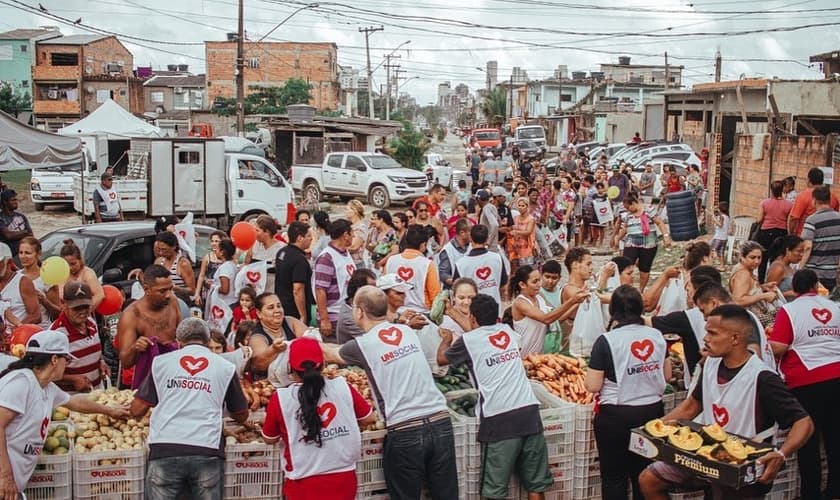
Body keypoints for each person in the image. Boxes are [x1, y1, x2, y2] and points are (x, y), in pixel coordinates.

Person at [639, 305, 814, 500]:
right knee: (649, 480)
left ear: (735, 338)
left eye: (712, 333)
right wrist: (653, 429)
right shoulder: (712, 363)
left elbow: (804, 422)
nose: (705, 338)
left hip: (742, 466)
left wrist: (781, 454)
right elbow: (692, 405)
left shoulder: (762, 378)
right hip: (706, 455)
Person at [330, 286, 458, 499]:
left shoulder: (363, 344)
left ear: (360, 312)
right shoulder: (408, 332)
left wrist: (302, 341)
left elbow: (333, 354)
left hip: (405, 430)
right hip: (441, 422)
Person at [437, 293, 554, 499]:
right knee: (536, 485)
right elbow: (484, 337)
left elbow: (441, 360)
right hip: (529, 412)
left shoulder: (468, 340)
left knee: (495, 491)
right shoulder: (507, 332)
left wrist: (446, 340)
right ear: (497, 316)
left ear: (473, 317)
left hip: (500, 418)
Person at [0, 330, 129, 499]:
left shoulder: (46, 386)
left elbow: (75, 403)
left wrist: (110, 410)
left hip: (12, 485)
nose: (67, 365)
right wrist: (5, 475)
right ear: (54, 360)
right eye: (66, 359)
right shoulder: (22, 383)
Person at [130, 318, 249, 500]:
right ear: (208, 341)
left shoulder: (161, 363)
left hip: (165, 448)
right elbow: (241, 414)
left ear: (178, 341)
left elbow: (137, 409)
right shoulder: (225, 367)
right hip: (206, 449)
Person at [261, 338, 376, 500]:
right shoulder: (342, 387)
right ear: (323, 363)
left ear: (290, 368)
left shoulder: (281, 399)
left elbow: (269, 438)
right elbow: (369, 418)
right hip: (343, 480)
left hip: (302, 484)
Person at [585, 285, 671, 500]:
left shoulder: (607, 341)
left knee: (614, 477)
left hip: (616, 416)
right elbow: (667, 375)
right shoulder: (657, 336)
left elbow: (593, 385)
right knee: (644, 474)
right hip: (652, 414)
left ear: (613, 311)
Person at [768, 269, 840, 500]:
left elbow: (778, 346)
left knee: (807, 439)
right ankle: (835, 491)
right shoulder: (834, 307)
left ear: (795, 289)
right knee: (835, 438)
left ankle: (811, 494)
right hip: (837, 375)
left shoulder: (789, 310)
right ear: (816, 285)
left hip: (806, 380)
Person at [117, 265, 182, 389]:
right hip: (148, 383)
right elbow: (125, 362)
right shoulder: (131, 315)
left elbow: (182, 337)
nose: (168, 295)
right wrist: (136, 347)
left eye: (170, 289)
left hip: (176, 377)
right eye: (162, 291)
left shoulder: (172, 301)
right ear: (147, 289)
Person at [512, 265, 588, 356]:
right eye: (534, 282)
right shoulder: (520, 303)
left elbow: (556, 318)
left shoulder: (540, 297)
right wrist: (572, 301)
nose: (539, 285)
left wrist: (577, 303)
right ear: (522, 285)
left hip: (539, 356)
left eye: (539, 280)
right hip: (524, 356)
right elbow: (546, 319)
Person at [51, 281, 108, 392]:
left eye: (86, 306)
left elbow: (93, 349)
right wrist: (72, 379)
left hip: (96, 394)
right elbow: (47, 373)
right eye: (77, 308)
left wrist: (101, 362)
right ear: (64, 304)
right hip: (71, 400)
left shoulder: (91, 322)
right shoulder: (56, 334)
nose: (83, 312)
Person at [613, 191, 672, 291]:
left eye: (629, 207)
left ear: (634, 203)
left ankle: (641, 290)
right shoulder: (627, 214)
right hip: (631, 242)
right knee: (626, 264)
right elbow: (625, 228)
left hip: (649, 243)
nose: (628, 210)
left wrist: (666, 236)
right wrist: (617, 238)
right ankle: (625, 288)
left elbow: (660, 223)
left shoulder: (649, 210)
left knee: (644, 268)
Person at [248, 292, 308, 379]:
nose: (277, 310)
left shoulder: (291, 321)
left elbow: (312, 340)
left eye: (279, 306)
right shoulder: (257, 337)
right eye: (271, 308)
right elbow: (258, 365)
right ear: (259, 313)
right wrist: (274, 349)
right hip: (271, 385)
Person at [313, 219, 356, 341]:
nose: (353, 236)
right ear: (345, 235)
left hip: (346, 312)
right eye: (351, 233)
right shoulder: (326, 258)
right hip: (333, 315)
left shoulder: (345, 254)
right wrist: (324, 319)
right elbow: (320, 290)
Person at [384, 224, 442, 314]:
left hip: (396, 313)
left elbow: (384, 287)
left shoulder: (391, 261)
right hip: (421, 314)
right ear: (423, 245)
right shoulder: (427, 264)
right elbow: (435, 296)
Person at [454, 224, 508, 319]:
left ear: (471, 238)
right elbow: (503, 285)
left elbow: (456, 289)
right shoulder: (497, 258)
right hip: (495, 310)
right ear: (487, 238)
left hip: (471, 314)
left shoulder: (461, 264)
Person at [729, 241, 781, 327]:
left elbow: (748, 290)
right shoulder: (743, 274)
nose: (757, 261)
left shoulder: (746, 269)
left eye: (759, 258)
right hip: (751, 318)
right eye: (752, 258)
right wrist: (764, 296)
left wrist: (763, 287)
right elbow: (738, 301)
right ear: (742, 257)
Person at [275, 221, 314, 326]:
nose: (311, 239)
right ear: (300, 238)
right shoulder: (299, 260)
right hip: (294, 310)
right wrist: (303, 315)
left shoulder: (281, 252)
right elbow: (298, 289)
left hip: (281, 305)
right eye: (308, 236)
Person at [801, 185, 840, 291]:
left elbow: (807, 247)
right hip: (832, 273)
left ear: (814, 200)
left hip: (814, 274)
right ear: (829, 200)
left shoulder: (812, 220)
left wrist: (800, 268)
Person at [18, 236, 60, 329]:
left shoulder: (47, 278)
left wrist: (44, 301)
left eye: (28, 253)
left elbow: (59, 312)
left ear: (38, 254)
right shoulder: (16, 276)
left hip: (40, 330)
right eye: (21, 252)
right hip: (19, 329)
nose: (23, 256)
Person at [756, 180, 792, 280]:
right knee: (776, 259)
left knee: (763, 258)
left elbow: (759, 220)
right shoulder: (789, 205)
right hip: (781, 233)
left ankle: (761, 281)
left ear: (771, 190)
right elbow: (789, 222)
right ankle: (773, 279)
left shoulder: (764, 203)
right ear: (782, 190)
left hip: (766, 233)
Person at [789, 167, 840, 236]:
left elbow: (794, 218)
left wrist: (791, 234)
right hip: (826, 237)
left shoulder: (803, 196)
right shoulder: (832, 196)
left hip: (805, 237)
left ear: (809, 180)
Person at [0, 242, 40, 327]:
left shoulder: (23, 282)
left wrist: (18, 329)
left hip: (17, 335)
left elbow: (36, 316)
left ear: (8, 262)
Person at [60, 239, 105, 309]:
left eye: (73, 264)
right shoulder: (59, 274)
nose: (70, 268)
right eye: (66, 264)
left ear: (80, 260)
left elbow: (99, 295)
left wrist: (83, 311)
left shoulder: (87, 273)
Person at [336, 269, 377, 344]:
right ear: (359, 290)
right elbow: (374, 339)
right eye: (372, 288)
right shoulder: (348, 317)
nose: (376, 291)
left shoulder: (365, 307)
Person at [153, 231, 196, 304]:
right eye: (159, 249)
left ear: (173, 247)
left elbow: (192, 291)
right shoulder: (159, 261)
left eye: (164, 249)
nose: (160, 253)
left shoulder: (183, 263)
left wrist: (176, 289)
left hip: (179, 303)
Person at [245, 215, 283, 293]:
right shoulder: (255, 244)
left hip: (272, 291)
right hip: (255, 291)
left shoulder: (281, 248)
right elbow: (247, 264)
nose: (254, 233)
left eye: (257, 230)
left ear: (267, 232)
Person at [765, 235, 805, 301]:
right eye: (799, 251)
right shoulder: (778, 267)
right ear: (787, 250)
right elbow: (768, 293)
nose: (801, 255)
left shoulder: (788, 266)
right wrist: (789, 294)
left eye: (802, 251)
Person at [193, 230, 225, 307]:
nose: (214, 243)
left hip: (222, 290)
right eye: (212, 241)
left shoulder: (226, 257)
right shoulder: (207, 257)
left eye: (217, 241)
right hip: (208, 291)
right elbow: (201, 275)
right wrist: (197, 294)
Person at [438, 218, 471, 290]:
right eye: (470, 231)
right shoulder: (447, 250)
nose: (473, 233)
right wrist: (458, 283)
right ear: (462, 233)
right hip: (455, 292)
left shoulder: (472, 246)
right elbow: (443, 274)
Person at [0, 189, 32, 258]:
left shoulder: (21, 216)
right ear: (5, 202)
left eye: (16, 200)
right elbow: (8, 235)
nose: (16, 202)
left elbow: (31, 235)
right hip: (8, 257)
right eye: (13, 200)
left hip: (24, 255)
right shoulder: (1, 218)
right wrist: (25, 232)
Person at [508, 197, 536, 270]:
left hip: (527, 247)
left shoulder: (531, 219)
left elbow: (528, 231)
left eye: (523, 206)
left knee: (527, 270)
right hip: (516, 248)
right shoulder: (515, 218)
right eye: (519, 205)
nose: (520, 208)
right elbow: (511, 228)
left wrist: (516, 232)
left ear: (527, 206)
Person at [209, 238, 237, 307]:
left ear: (222, 252)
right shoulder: (232, 265)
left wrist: (211, 285)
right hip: (231, 301)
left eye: (217, 249)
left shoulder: (225, 267)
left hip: (225, 304)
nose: (215, 251)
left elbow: (225, 290)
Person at [345, 200, 368, 268]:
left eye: (347, 209)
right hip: (348, 262)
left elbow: (354, 247)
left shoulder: (361, 227)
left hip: (356, 264)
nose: (345, 212)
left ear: (355, 211)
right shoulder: (349, 225)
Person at [476, 189, 500, 253]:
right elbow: (499, 222)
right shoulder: (492, 207)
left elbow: (495, 225)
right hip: (493, 244)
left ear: (479, 200)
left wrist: (488, 242)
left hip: (489, 247)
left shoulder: (486, 208)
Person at [711, 202, 730, 270]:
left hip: (718, 237)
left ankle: (709, 264)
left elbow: (720, 225)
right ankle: (722, 266)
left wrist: (714, 219)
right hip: (724, 238)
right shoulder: (727, 216)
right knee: (721, 252)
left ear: (720, 209)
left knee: (712, 250)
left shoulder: (722, 217)